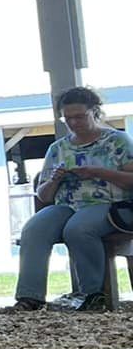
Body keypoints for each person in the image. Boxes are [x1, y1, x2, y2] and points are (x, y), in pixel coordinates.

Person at [17, 86, 133, 311]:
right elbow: (44, 195)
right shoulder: (58, 148)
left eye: (79, 116)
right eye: (67, 118)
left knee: (78, 229)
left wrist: (98, 172)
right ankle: (29, 296)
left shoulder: (118, 141)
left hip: (110, 204)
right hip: (66, 205)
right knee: (34, 228)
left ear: (94, 111)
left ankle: (91, 295)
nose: (73, 123)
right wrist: (54, 180)